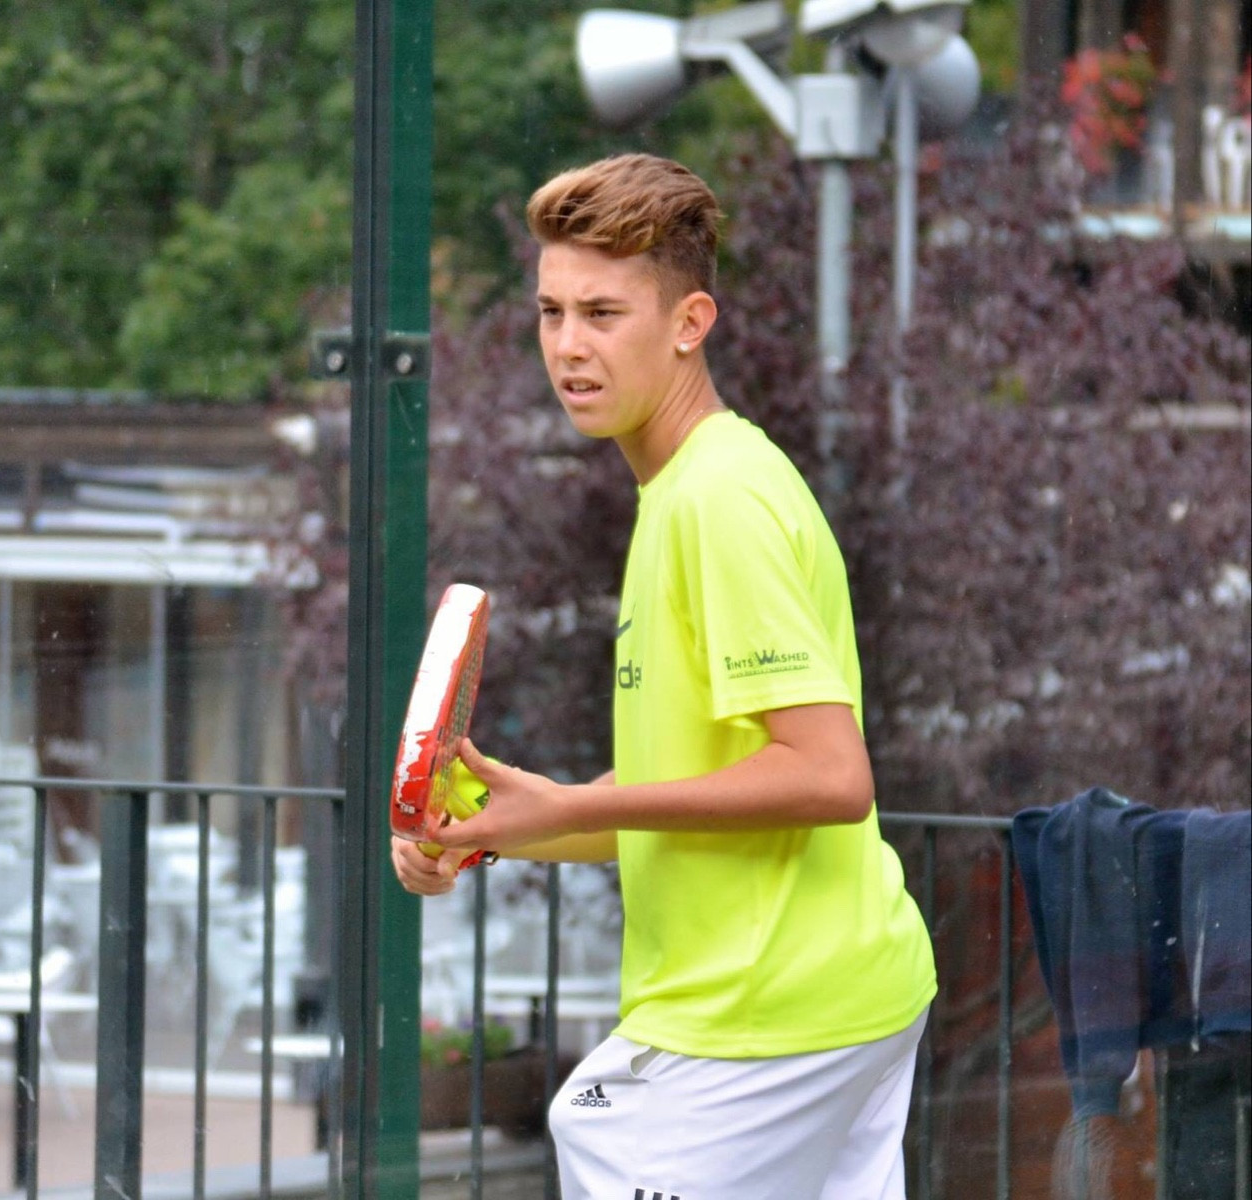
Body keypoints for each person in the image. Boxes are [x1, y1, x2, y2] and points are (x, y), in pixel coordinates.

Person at [390, 153, 937, 1199]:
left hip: (763, 1014)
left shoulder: (716, 501)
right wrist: (505, 824)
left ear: (690, 322)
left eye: (602, 313)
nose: (568, 345)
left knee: (593, 1130)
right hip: (843, 995)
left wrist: (565, 807)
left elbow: (829, 776)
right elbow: (688, 792)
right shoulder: (686, 489)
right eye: (551, 312)